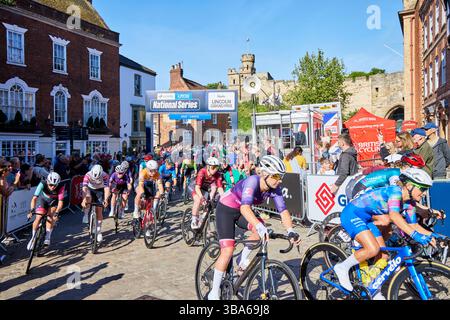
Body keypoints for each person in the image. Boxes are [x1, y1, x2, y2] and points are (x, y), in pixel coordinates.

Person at [333, 168, 438, 300]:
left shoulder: (409, 204)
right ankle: (342, 267)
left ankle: (373, 288)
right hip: (352, 214)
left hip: (367, 218)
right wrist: (416, 236)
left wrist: (433, 236)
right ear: (410, 186)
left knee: (384, 256)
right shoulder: (395, 192)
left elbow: (414, 226)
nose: (424, 193)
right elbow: (394, 216)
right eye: (422, 189)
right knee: (372, 249)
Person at [207, 156, 301, 300]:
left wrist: (291, 231)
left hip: (241, 211)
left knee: (260, 232)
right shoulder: (253, 181)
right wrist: (258, 225)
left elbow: (283, 211)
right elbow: (245, 208)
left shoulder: (275, 188)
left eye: (281, 176)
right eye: (276, 176)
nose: (280, 180)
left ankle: (241, 259)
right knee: (228, 250)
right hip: (226, 209)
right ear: (264, 173)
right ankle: (213, 293)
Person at [27, 172, 64, 249]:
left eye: (55, 185)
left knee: (50, 216)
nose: (53, 187)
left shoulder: (61, 186)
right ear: (47, 182)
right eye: (50, 185)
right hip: (44, 201)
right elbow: (34, 198)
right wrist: (32, 210)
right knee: (38, 217)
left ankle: (48, 236)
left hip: (54, 202)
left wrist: (57, 213)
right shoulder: (42, 183)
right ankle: (33, 238)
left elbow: (60, 202)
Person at [189, 157, 224, 230]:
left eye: (217, 167)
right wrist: (202, 198)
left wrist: (224, 198)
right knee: (198, 200)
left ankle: (202, 222)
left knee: (208, 205)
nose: (215, 169)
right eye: (213, 167)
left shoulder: (217, 175)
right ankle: (194, 220)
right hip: (194, 187)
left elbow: (220, 188)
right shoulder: (202, 172)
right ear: (208, 166)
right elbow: (197, 188)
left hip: (204, 189)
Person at [81, 165, 110, 243]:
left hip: (100, 190)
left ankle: (99, 231)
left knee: (99, 209)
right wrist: (84, 200)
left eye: (97, 178)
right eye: (95, 177)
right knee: (88, 197)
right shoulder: (87, 174)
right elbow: (84, 187)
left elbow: (107, 188)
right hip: (89, 189)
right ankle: (86, 214)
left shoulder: (105, 175)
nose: (96, 179)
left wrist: (106, 200)